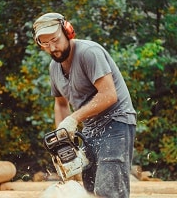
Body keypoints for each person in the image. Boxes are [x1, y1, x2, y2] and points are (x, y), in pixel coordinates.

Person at [33, 12, 137, 198]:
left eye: (55, 40)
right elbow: (61, 104)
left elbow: (109, 95)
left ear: (67, 31)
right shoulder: (54, 67)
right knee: (89, 189)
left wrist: (73, 119)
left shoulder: (89, 53)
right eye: (45, 43)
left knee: (108, 191)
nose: (53, 47)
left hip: (116, 122)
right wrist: (62, 140)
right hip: (89, 129)